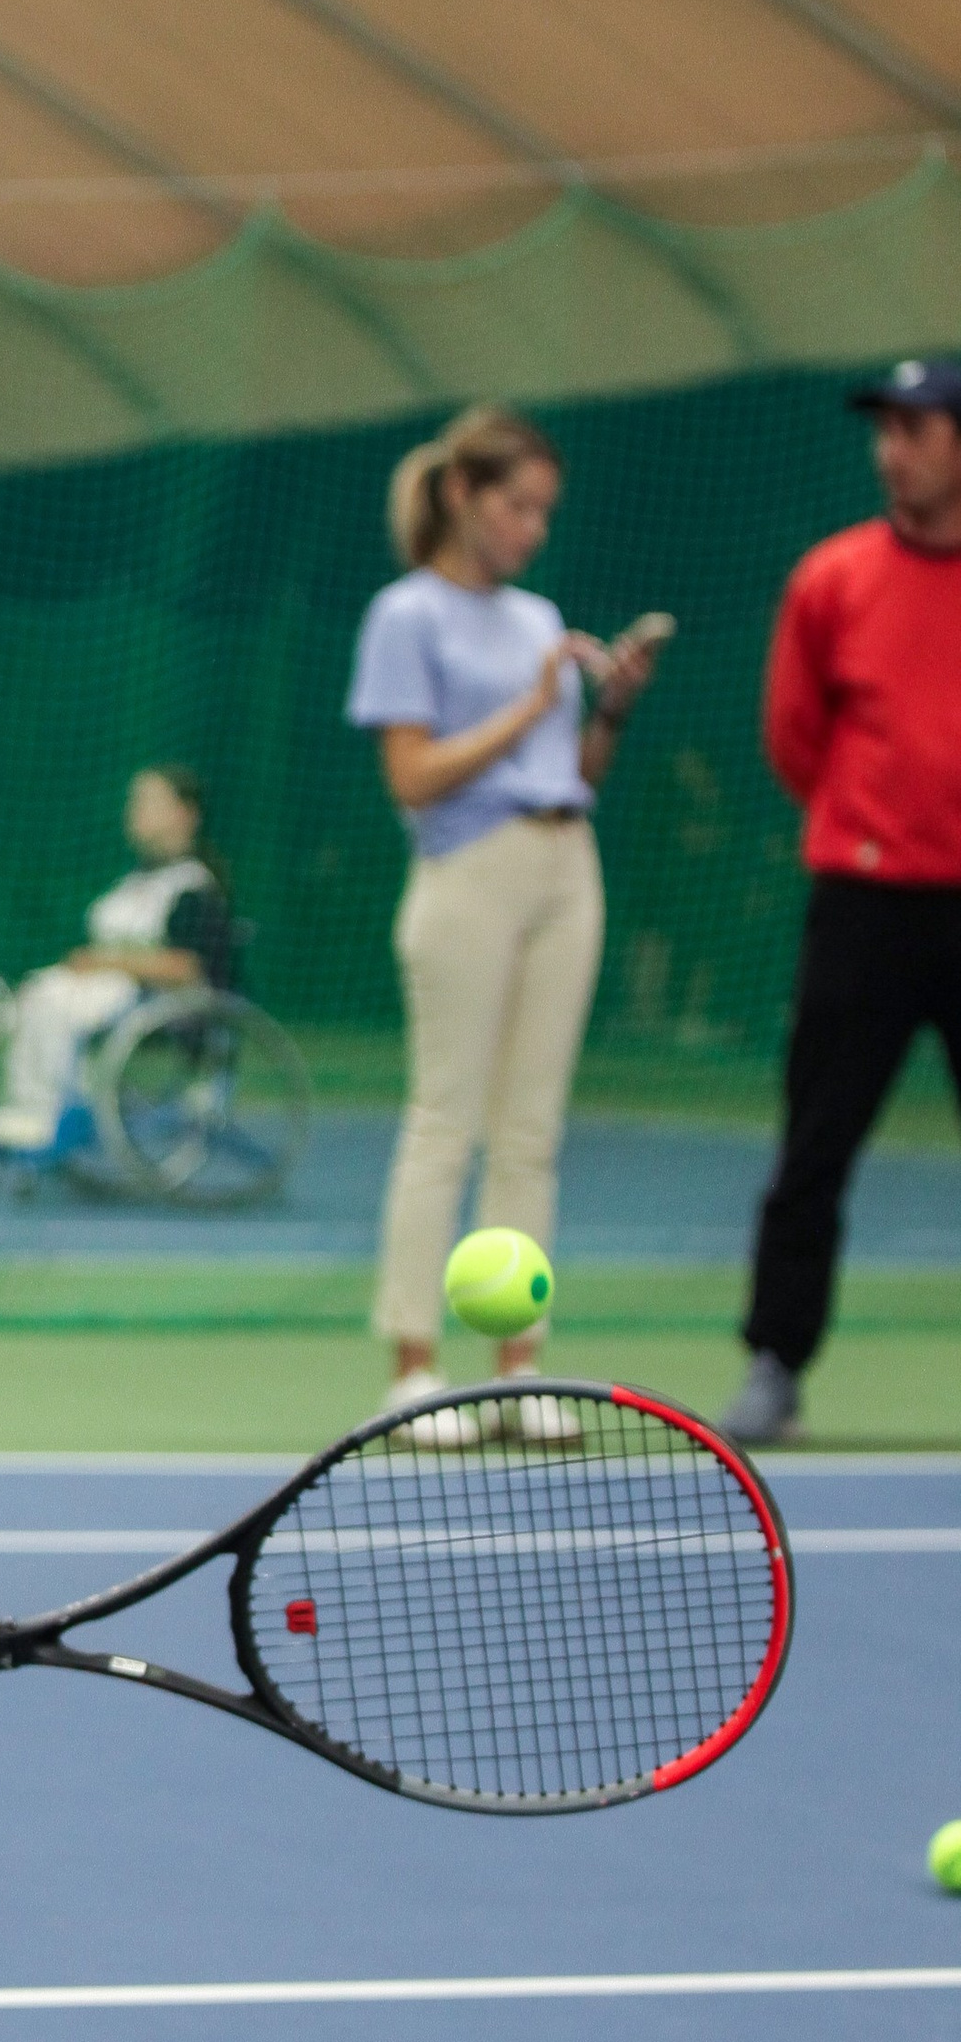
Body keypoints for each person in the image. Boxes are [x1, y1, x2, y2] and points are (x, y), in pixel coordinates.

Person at [346, 403, 666, 1444]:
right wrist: (527, 710)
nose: (531, 526)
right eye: (514, 503)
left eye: (542, 509)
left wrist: (605, 704)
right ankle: (411, 1367)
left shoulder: (536, 616)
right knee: (447, 1120)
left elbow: (573, 774)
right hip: (464, 870)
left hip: (566, 864)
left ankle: (517, 1368)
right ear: (459, 494)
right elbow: (411, 774)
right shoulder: (407, 614)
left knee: (530, 1130)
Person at [725, 356, 961, 1447]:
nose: (892, 448)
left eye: (916, 428)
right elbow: (793, 736)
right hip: (863, 905)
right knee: (813, 1144)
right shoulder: (832, 578)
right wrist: (866, 823)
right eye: (885, 428)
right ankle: (776, 1361)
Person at [0, 764, 229, 1155]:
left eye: (148, 801)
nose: (134, 810)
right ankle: (28, 1108)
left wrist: (105, 962)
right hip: (111, 992)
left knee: (62, 1003)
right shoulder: (135, 882)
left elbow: (188, 967)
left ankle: (59, 1113)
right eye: (134, 801)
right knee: (38, 992)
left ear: (185, 814)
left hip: (163, 1006)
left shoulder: (194, 886)